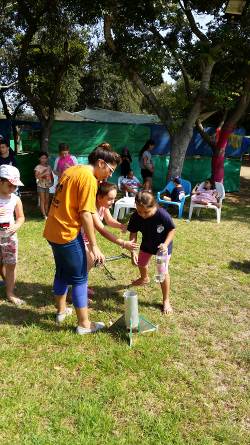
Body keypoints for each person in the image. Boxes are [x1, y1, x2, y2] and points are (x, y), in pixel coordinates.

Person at [43, 143, 121, 335]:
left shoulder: (73, 170)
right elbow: (86, 214)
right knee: (80, 278)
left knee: (61, 272)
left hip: (53, 230)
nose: (110, 175)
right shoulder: (89, 179)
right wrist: (94, 247)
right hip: (67, 233)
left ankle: (61, 311)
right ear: (101, 163)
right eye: (110, 170)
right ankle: (84, 325)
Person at [127, 191, 176, 314]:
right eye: (139, 211)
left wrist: (165, 244)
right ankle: (144, 278)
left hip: (162, 247)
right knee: (141, 264)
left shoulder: (162, 215)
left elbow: (171, 230)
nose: (142, 215)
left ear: (155, 206)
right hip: (147, 244)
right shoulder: (135, 216)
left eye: (147, 212)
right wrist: (133, 252)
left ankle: (166, 300)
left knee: (161, 273)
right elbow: (133, 233)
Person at [83, 182, 138, 277]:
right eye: (110, 199)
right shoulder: (92, 209)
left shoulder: (104, 206)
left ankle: (82, 284)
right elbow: (102, 230)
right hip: (79, 239)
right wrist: (124, 243)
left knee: (90, 262)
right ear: (99, 198)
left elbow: (109, 221)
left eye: (114, 198)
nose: (113, 202)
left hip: (87, 239)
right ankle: (79, 284)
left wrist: (121, 225)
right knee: (90, 261)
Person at [0, 165, 25, 305]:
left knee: (11, 265)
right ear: (0, 181)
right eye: (10, 185)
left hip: (9, 238)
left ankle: (10, 292)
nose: (13, 188)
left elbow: (21, 217)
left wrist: (16, 225)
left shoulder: (15, 199)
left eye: (15, 186)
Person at [34, 151, 54, 219]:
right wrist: (44, 173)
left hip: (47, 185)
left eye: (45, 158)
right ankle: (44, 215)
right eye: (42, 158)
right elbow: (36, 177)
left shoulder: (49, 166)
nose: (43, 159)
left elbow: (51, 175)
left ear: (47, 159)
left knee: (47, 199)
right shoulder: (38, 167)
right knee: (42, 200)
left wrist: (52, 182)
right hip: (40, 185)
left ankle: (47, 213)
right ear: (39, 159)